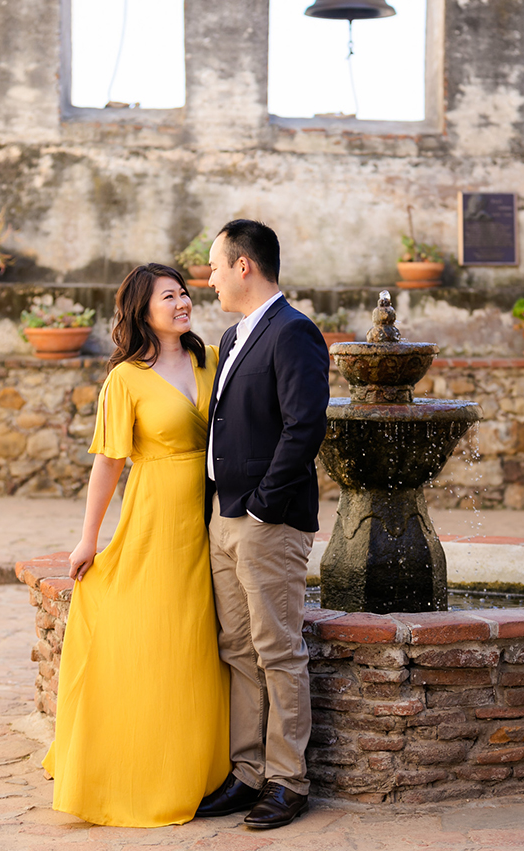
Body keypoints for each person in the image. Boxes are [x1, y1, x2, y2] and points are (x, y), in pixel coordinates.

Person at [43, 264, 230, 826]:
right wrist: (87, 538)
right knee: (155, 635)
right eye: (168, 297)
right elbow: (108, 463)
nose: (181, 303)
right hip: (156, 518)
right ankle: (130, 765)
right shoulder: (125, 378)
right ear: (142, 311)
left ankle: (203, 768)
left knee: (202, 640)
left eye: (183, 293)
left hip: (212, 514)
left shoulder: (211, 358)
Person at [192, 219, 331, 830]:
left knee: (278, 650)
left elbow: (306, 425)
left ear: (244, 265)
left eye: (216, 266)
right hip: (222, 517)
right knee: (237, 649)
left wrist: (262, 506)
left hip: (264, 521)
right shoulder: (232, 333)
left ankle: (288, 781)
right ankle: (247, 774)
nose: (211, 277)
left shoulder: (294, 331)